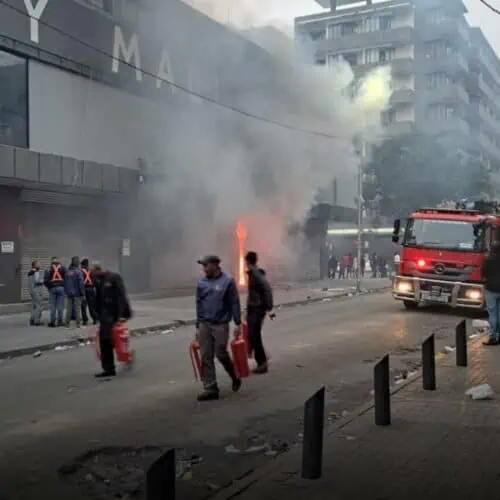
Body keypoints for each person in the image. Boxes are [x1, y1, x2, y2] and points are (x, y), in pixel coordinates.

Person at [195, 255, 242, 401]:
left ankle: (234, 375)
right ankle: (210, 388)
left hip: (221, 324)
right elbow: (199, 304)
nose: (204, 268)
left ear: (215, 265)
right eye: (203, 266)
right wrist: (198, 326)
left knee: (220, 353)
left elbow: (234, 302)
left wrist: (238, 323)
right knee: (205, 355)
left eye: (206, 265)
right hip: (205, 324)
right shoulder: (201, 283)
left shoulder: (227, 281)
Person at [93, 262, 132, 377]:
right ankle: (109, 369)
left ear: (99, 269)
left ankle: (126, 357)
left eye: (93, 272)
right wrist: (97, 314)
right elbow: (98, 299)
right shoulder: (98, 281)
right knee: (105, 342)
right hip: (104, 316)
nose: (92, 275)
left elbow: (122, 296)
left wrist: (122, 315)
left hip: (114, 315)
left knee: (115, 340)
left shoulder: (114, 278)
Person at [245, 251, 273, 374]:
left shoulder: (256, 274)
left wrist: (268, 307)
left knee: (254, 335)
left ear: (247, 261)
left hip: (257, 309)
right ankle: (263, 359)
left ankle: (262, 362)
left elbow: (266, 289)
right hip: (254, 309)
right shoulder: (253, 274)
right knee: (253, 335)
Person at [482, 242, 500, 346]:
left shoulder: (488, 260)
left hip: (491, 289)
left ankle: (493, 337)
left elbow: (483, 273)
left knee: (492, 314)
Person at [44, 256, 66, 328]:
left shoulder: (48, 268)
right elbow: (67, 278)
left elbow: (45, 280)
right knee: (60, 306)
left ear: (51, 261)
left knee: (52, 306)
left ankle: (52, 322)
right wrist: (64, 286)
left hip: (52, 288)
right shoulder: (63, 268)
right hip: (61, 288)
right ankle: (60, 322)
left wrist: (49, 287)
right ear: (58, 260)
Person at [64, 256, 85, 328]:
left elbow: (65, 283)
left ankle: (67, 324)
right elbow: (81, 283)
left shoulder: (67, 272)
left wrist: (66, 291)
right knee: (77, 309)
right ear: (77, 263)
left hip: (69, 293)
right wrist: (83, 293)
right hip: (77, 293)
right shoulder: (78, 272)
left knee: (69, 309)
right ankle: (78, 324)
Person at [81, 258, 98, 326]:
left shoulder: (80, 271)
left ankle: (85, 320)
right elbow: (95, 281)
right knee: (92, 305)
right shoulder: (92, 271)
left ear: (82, 265)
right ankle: (95, 319)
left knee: (83, 306)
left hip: (83, 289)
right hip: (91, 289)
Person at [28, 260, 44, 326]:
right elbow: (37, 281)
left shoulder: (30, 272)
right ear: (35, 265)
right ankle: (37, 321)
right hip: (37, 291)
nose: (40, 265)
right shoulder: (36, 272)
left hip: (31, 291)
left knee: (33, 306)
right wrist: (43, 280)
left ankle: (32, 319)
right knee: (39, 305)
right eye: (38, 264)